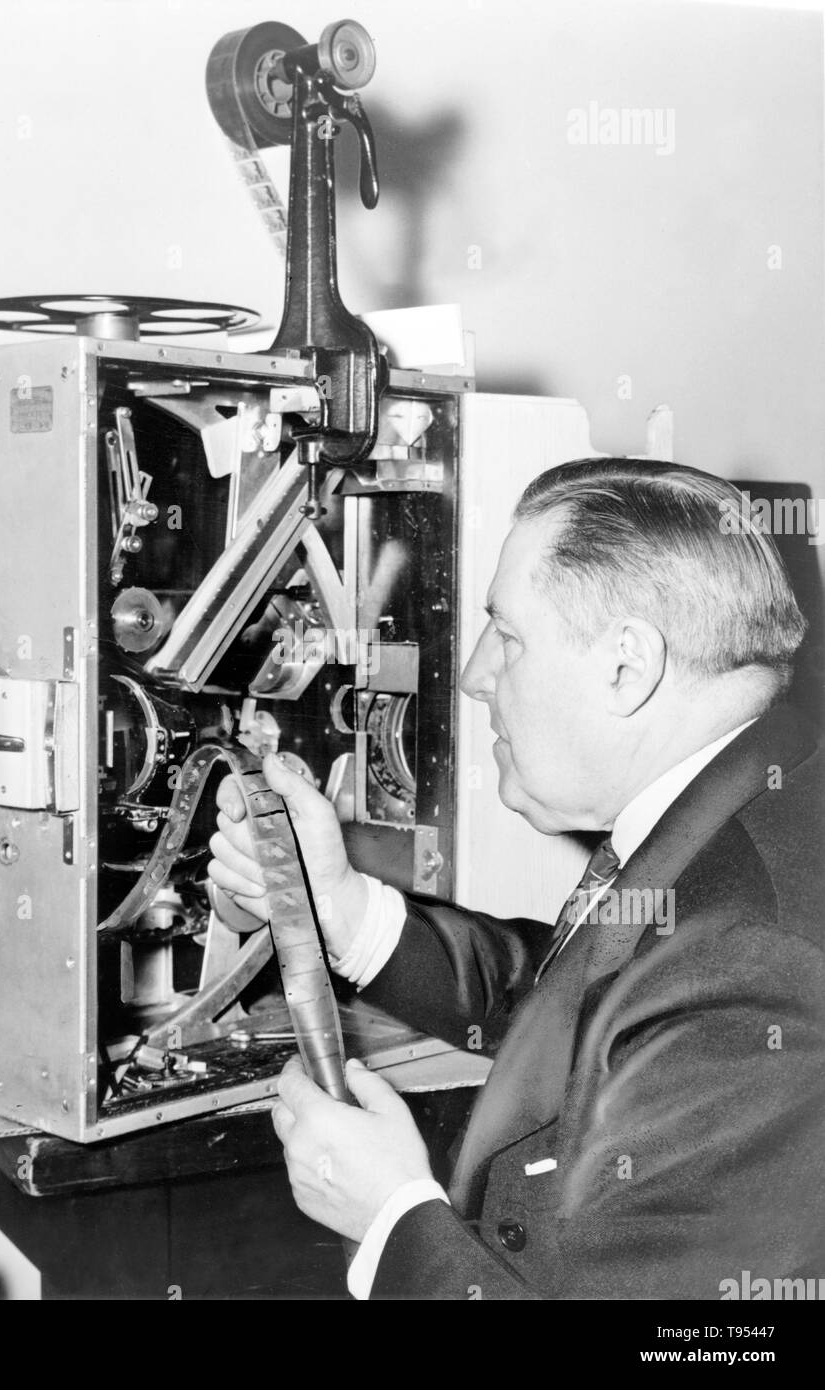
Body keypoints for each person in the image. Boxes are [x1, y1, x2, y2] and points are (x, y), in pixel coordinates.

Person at [207, 458, 825, 1300]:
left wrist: (393, 1220)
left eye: (507, 633)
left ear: (624, 667)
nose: (472, 677)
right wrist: (348, 914)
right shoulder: (761, 799)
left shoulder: (757, 959)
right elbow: (601, 1005)